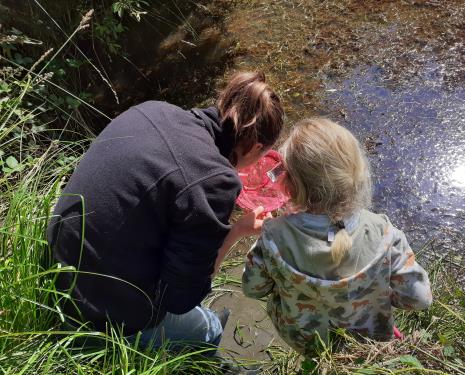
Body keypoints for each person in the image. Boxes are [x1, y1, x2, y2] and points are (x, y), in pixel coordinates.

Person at [46, 71, 284, 351]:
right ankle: (197, 358)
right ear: (257, 147)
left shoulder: (153, 109)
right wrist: (237, 232)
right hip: (92, 314)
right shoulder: (215, 180)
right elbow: (180, 300)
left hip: (52, 271)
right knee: (209, 327)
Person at [241, 118, 432, 354]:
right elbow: (419, 299)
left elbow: (253, 288)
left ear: (290, 183)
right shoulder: (385, 233)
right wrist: (376, 295)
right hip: (370, 342)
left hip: (305, 341)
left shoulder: (272, 236)